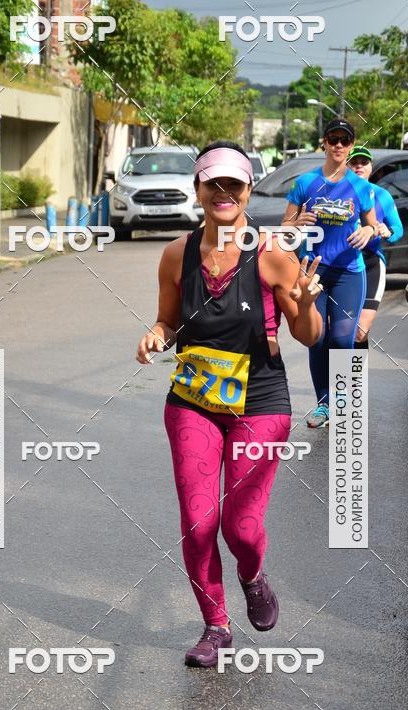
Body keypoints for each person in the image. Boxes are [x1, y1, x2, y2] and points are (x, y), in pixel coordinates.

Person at [135, 140, 323, 667]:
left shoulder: (272, 257)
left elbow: (309, 335)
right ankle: (215, 626)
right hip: (193, 402)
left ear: (247, 190)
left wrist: (306, 305)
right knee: (198, 523)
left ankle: (252, 575)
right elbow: (169, 320)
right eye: (211, 183)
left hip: (260, 405)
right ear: (197, 189)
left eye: (233, 185)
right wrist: (155, 334)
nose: (222, 193)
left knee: (241, 526)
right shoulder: (176, 254)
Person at [282, 118, 378, 428]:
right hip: (313, 270)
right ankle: (324, 405)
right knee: (317, 337)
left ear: (350, 147)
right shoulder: (305, 183)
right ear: (324, 143)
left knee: (341, 337)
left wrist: (367, 231)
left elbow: (373, 224)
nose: (338, 145)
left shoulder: (361, 187)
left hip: (350, 271)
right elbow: (284, 228)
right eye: (333, 139)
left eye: (344, 140)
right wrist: (296, 224)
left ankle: (342, 400)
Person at [346, 146, 404, 349]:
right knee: (339, 329)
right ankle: (337, 379)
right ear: (346, 166)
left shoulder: (382, 195)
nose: (359, 166)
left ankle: (352, 381)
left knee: (360, 330)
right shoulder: (336, 193)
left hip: (371, 263)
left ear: (371, 167)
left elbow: (398, 229)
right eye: (354, 162)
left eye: (364, 163)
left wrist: (388, 231)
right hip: (341, 263)